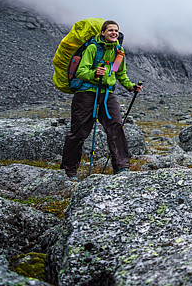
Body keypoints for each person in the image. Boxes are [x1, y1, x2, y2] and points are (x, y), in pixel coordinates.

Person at [61, 20, 142, 179]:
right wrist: (94, 74)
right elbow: (81, 71)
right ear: (103, 33)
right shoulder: (93, 48)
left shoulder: (119, 51)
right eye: (110, 30)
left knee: (116, 126)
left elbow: (119, 73)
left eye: (116, 31)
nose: (114, 33)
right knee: (79, 131)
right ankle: (68, 171)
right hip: (86, 93)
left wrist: (131, 87)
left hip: (106, 94)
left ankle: (122, 167)